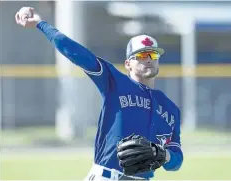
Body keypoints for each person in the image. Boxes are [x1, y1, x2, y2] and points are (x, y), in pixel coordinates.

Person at [15, 7, 183, 181]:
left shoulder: (170, 109)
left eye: (153, 54)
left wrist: (162, 154)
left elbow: (177, 160)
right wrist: (41, 24)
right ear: (128, 64)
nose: (148, 58)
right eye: (141, 55)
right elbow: (77, 53)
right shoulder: (115, 82)